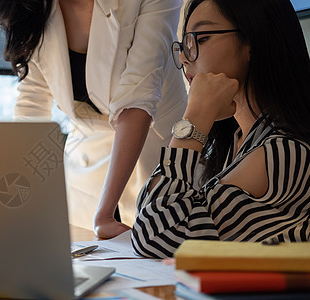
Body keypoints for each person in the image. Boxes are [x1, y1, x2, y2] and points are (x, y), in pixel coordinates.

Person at [0, 0, 187, 238]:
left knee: (157, 252)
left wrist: (104, 213)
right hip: (85, 165)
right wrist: (13, 196)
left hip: (155, 153)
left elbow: (138, 98)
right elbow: (32, 102)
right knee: (88, 266)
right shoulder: (33, 7)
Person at [132, 0, 310, 258]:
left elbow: (152, 236)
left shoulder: (283, 152)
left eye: (201, 39)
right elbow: (151, 211)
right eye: (184, 45)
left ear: (252, 41)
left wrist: (194, 119)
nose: (184, 58)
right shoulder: (231, 142)